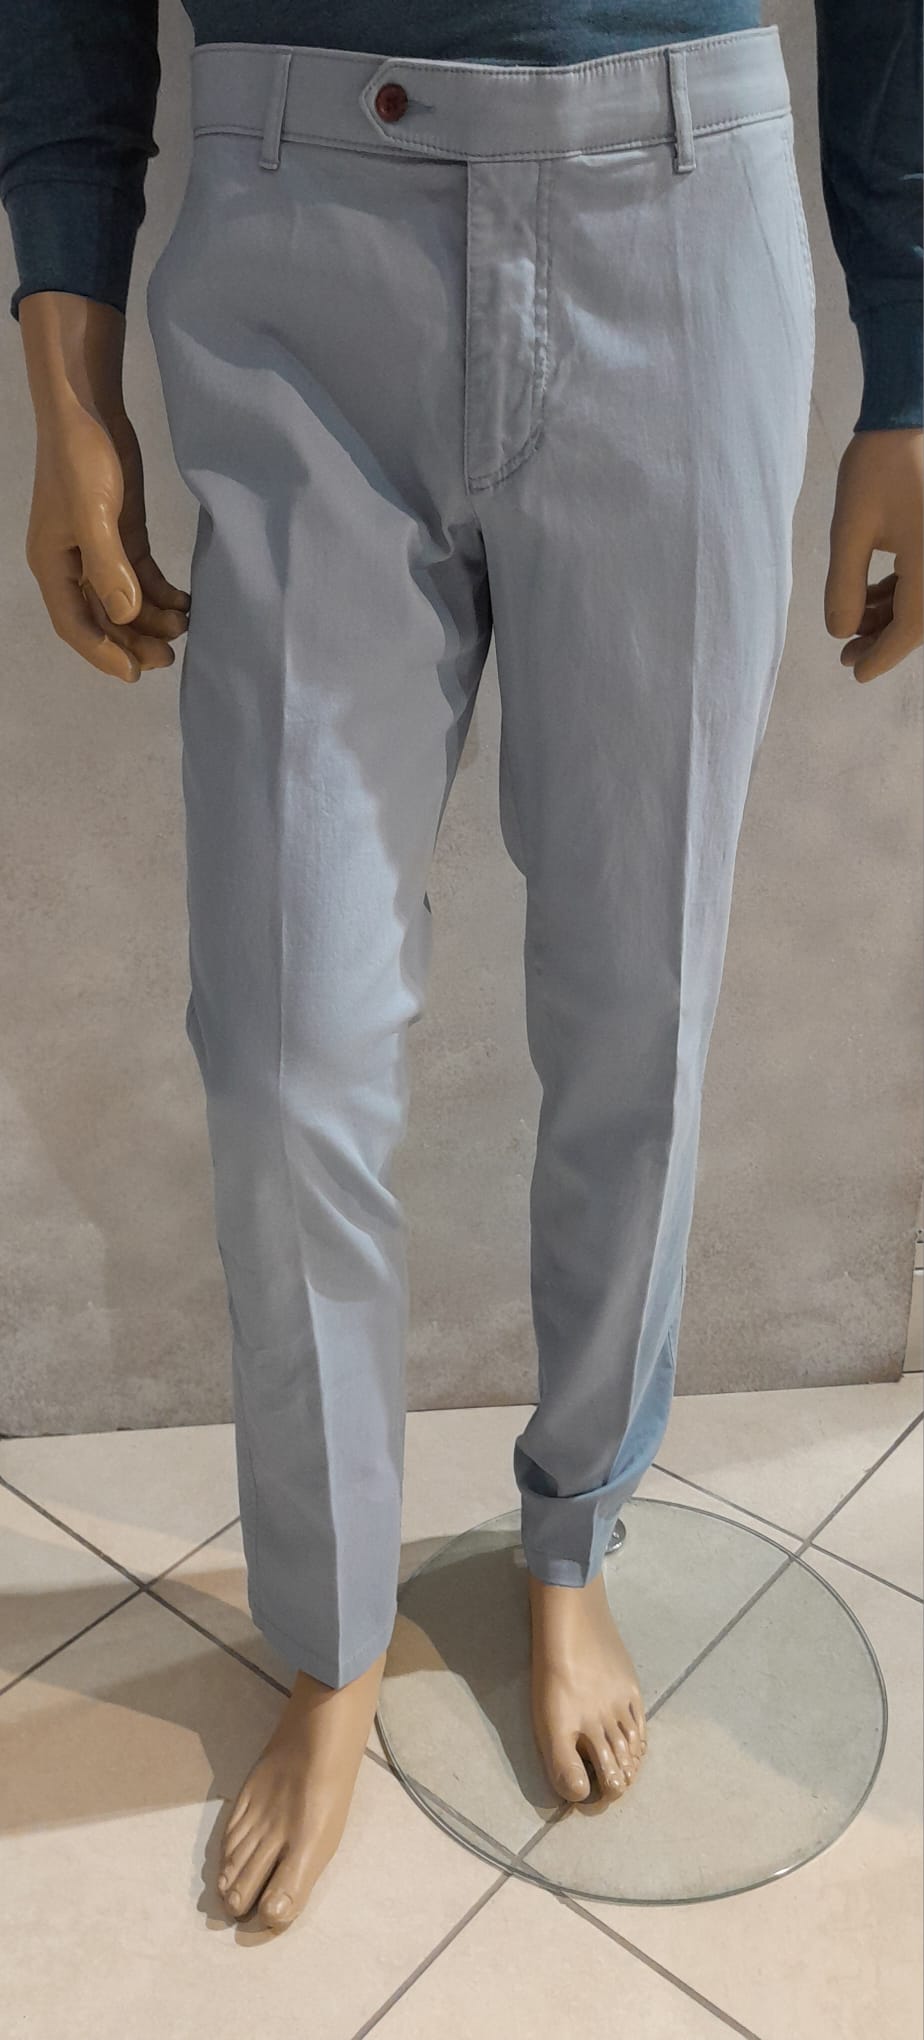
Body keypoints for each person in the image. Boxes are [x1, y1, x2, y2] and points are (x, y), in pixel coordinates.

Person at [0, 2, 921, 1936]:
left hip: (676, 205)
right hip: (293, 238)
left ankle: (569, 1538)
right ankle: (332, 1635)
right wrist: (62, 363)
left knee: (639, 999)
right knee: (285, 1047)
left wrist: (910, 357)